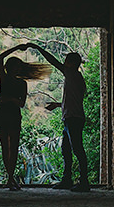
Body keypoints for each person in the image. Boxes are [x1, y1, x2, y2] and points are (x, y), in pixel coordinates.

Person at [0, 43, 51, 190]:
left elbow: (21, 103)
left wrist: (9, 99)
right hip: (6, 113)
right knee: (7, 147)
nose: (15, 69)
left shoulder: (20, 83)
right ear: (9, 68)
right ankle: (10, 179)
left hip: (9, 113)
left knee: (12, 147)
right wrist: (17, 47)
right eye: (14, 67)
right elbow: (0, 57)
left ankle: (10, 179)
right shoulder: (5, 79)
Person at [30, 43, 90, 192]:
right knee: (67, 150)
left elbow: (53, 62)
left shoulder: (71, 74)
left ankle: (84, 182)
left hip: (73, 118)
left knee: (77, 150)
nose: (64, 63)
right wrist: (58, 105)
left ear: (71, 63)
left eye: (66, 61)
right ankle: (67, 179)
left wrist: (38, 48)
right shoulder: (77, 78)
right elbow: (73, 100)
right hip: (72, 117)